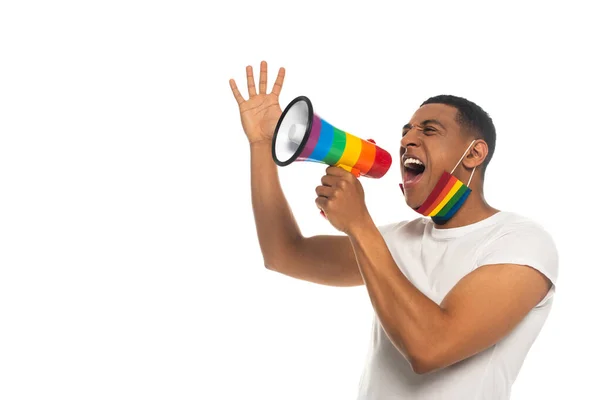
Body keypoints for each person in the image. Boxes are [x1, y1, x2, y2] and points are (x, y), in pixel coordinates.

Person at [229, 61, 558, 399]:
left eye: (428, 130)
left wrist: (358, 224)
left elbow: (430, 348)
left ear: (474, 153)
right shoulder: (396, 239)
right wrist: (260, 145)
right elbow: (284, 254)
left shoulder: (520, 241)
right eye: (406, 131)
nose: (407, 141)